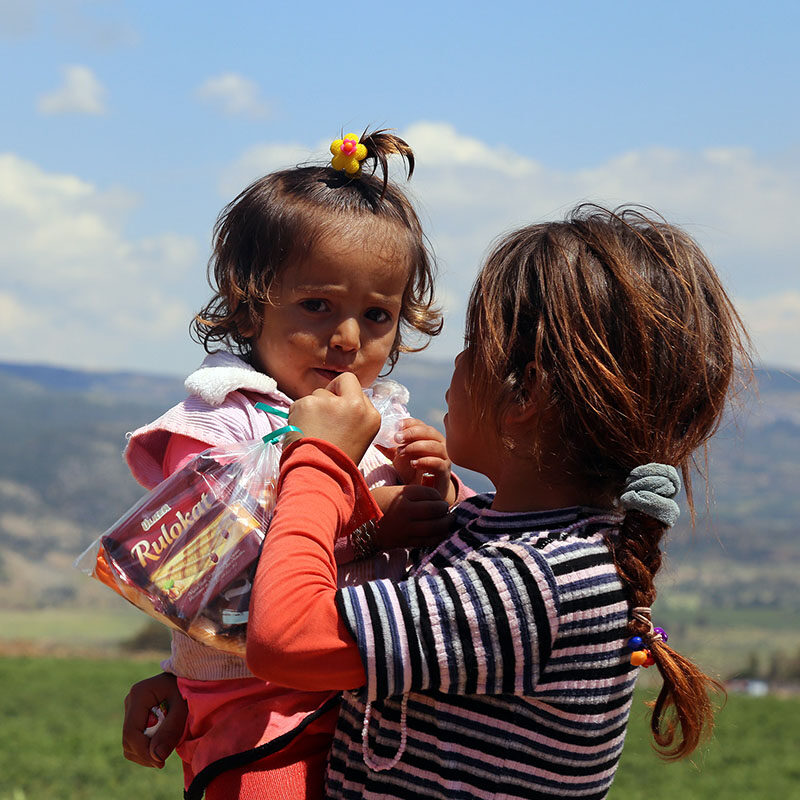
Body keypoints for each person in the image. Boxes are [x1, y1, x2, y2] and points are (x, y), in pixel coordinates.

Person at [244, 204, 751, 799]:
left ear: (525, 394)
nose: (454, 365)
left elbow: (288, 641)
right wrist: (185, 684)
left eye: (473, 344)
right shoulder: (497, 532)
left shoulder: (541, 582)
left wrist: (317, 458)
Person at [120, 128, 473, 800]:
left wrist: (439, 488)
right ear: (249, 307)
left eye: (376, 315)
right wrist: (373, 529)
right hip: (255, 719)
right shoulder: (219, 422)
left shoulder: (387, 422)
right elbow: (204, 581)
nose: (346, 339)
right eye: (318, 306)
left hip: (376, 713)